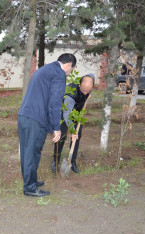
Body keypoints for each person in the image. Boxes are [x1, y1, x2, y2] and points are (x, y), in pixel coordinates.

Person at [18, 53, 77, 197]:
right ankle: (30, 188)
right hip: (35, 118)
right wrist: (56, 128)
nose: (70, 73)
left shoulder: (46, 69)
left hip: (26, 115)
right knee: (32, 153)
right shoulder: (59, 73)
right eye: (72, 69)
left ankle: (30, 180)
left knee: (30, 152)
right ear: (69, 64)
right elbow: (55, 102)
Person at [51, 73, 95, 174]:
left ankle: (72, 161)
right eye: (83, 90)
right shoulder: (71, 94)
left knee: (77, 138)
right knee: (61, 137)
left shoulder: (88, 85)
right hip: (65, 112)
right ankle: (56, 160)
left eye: (88, 91)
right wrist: (73, 130)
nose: (85, 93)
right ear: (79, 85)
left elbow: (91, 75)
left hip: (77, 114)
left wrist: (88, 95)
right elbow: (67, 115)